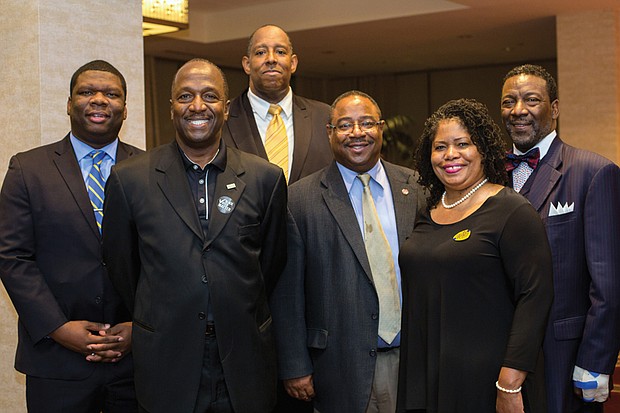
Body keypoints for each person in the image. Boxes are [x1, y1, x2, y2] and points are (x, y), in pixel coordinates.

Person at [102, 58, 288, 413]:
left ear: (227, 108)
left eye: (210, 96)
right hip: (166, 362)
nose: (197, 106)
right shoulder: (130, 180)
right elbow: (123, 268)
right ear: (171, 107)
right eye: (185, 96)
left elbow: (271, 264)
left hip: (244, 360)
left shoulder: (266, 178)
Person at [0, 60, 141, 412]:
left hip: (136, 359)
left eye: (111, 94)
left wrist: (139, 326)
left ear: (125, 108)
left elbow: (167, 255)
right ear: (68, 104)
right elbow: (12, 257)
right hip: (55, 359)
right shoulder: (27, 168)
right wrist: (59, 328)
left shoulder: (151, 168)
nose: (99, 100)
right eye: (86, 92)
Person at [271, 90, 425, 413]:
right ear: (330, 133)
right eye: (345, 125)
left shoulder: (417, 188)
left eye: (367, 123)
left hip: (413, 362)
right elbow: (288, 292)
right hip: (339, 366)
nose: (357, 133)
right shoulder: (299, 199)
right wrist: (295, 364)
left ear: (381, 128)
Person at [397, 98, 554, 413]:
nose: (450, 155)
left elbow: (535, 297)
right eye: (440, 147)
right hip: (427, 372)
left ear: (483, 150)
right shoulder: (426, 209)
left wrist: (509, 382)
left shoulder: (511, 210)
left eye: (463, 144)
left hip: (488, 379)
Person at [501, 64, 620, 413]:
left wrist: (596, 361)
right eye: (509, 101)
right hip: (500, 357)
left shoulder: (593, 172)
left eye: (531, 100)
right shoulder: (489, 175)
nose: (518, 110)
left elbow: (609, 285)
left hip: (564, 357)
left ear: (554, 108)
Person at [222, 24, 332, 184]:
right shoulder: (222, 118)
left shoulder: (324, 116)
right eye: (260, 52)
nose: (271, 59)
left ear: (293, 63)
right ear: (247, 64)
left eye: (280, 52)